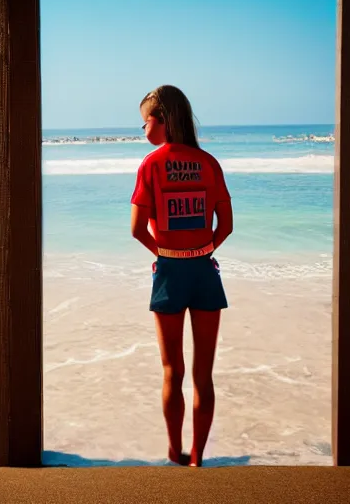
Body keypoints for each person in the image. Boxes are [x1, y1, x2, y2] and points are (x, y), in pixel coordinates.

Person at [130, 85, 233, 467]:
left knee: (173, 371)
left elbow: (138, 229)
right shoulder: (208, 163)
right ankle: (198, 459)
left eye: (145, 122)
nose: (143, 130)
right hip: (205, 272)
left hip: (171, 272)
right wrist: (203, 251)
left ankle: (175, 452)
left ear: (163, 121)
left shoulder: (151, 165)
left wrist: (165, 254)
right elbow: (227, 225)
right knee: (203, 375)